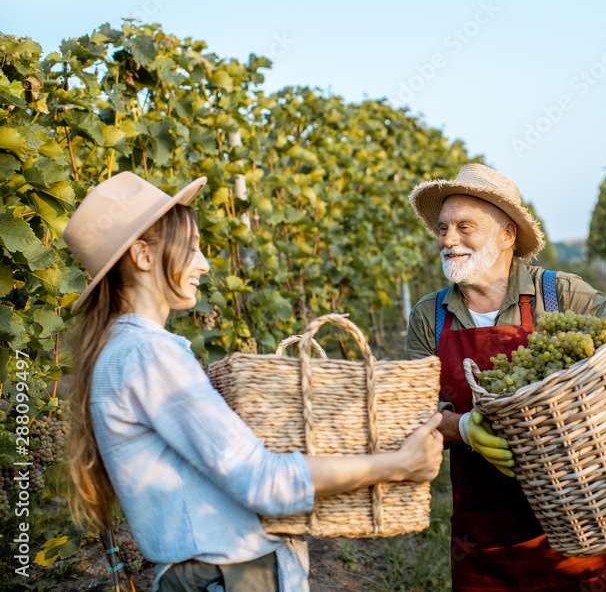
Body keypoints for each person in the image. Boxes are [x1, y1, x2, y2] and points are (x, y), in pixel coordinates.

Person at [63, 171, 443, 592]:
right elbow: (263, 482)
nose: (204, 263)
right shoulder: (148, 355)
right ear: (143, 256)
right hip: (230, 577)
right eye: (190, 249)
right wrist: (396, 464)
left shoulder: (124, 352)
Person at [405, 163, 606, 591]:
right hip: (483, 539)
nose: (448, 240)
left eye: (466, 227)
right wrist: (461, 427)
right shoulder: (431, 315)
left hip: (583, 520)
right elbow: (415, 413)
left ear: (507, 234)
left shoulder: (558, 294)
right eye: (442, 228)